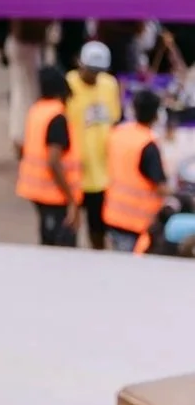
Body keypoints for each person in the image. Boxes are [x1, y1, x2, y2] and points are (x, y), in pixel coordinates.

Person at [66, 40, 125, 250]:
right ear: (79, 63)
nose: (94, 76)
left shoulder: (109, 85)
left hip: (102, 171)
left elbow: (115, 120)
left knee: (98, 227)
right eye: (90, 71)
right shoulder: (68, 85)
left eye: (98, 72)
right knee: (69, 227)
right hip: (75, 170)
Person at [15, 66, 79, 247]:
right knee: (60, 248)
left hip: (36, 190)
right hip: (53, 194)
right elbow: (53, 161)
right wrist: (72, 200)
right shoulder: (57, 117)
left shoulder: (37, 110)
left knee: (47, 239)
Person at [103, 90, 170, 253]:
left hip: (113, 213)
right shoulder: (148, 144)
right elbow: (159, 185)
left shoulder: (118, 133)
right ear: (156, 114)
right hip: (136, 222)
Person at [5, 19, 53, 156]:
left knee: (21, 94)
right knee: (26, 95)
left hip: (22, 44)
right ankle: (22, 137)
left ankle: (20, 137)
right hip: (26, 45)